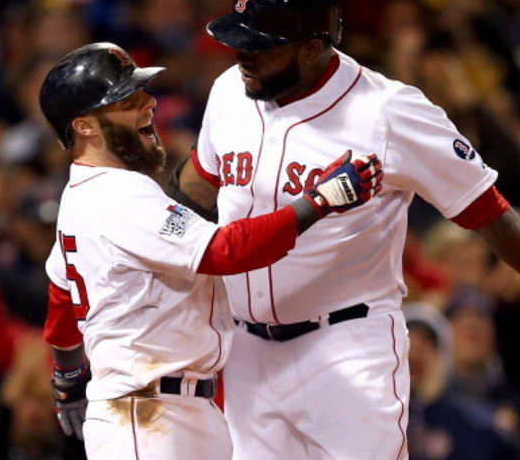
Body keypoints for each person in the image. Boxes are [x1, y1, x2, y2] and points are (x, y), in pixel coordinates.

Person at [168, 0, 520, 459]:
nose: (243, 57)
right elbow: (196, 188)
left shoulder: (388, 111)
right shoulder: (229, 92)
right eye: (240, 41)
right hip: (246, 350)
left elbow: (487, 209)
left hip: (344, 345)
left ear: (314, 48)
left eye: (260, 46)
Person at [37, 41, 383, 459]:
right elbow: (227, 251)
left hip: (171, 411)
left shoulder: (85, 194)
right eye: (126, 99)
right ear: (85, 127)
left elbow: (61, 294)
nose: (149, 102)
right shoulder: (117, 195)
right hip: (147, 417)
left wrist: (68, 375)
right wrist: (320, 201)